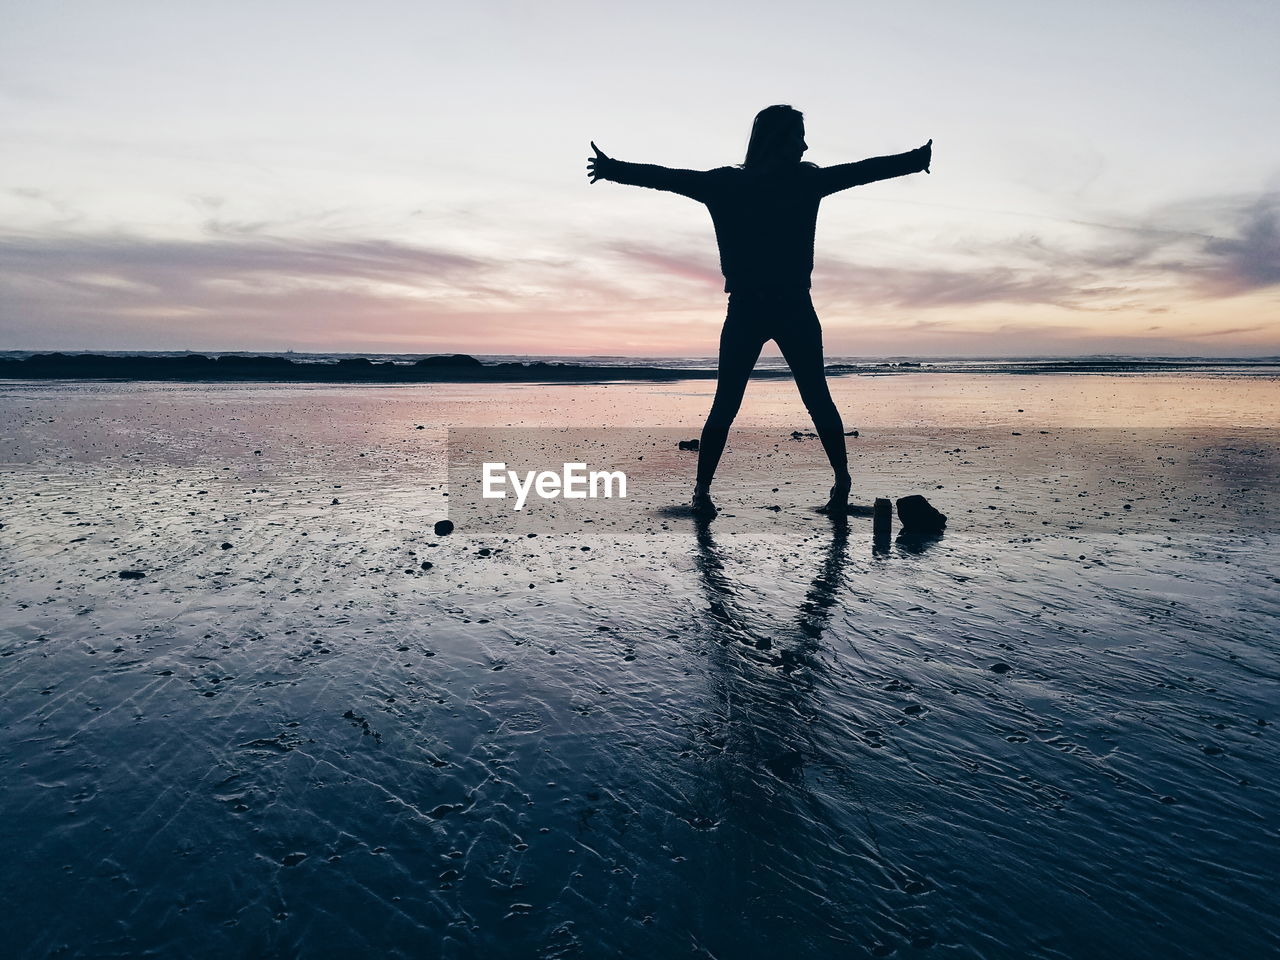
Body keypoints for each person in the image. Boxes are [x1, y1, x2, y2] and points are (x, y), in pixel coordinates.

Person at [587, 104, 931, 517]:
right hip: (758, 310)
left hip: (781, 308)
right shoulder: (753, 184)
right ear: (776, 140)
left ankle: (831, 486)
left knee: (800, 398)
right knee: (744, 403)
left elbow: (861, 171)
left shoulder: (778, 182)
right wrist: (612, 168)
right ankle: (705, 493)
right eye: (798, 136)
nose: (805, 145)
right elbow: (668, 179)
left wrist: (914, 160)